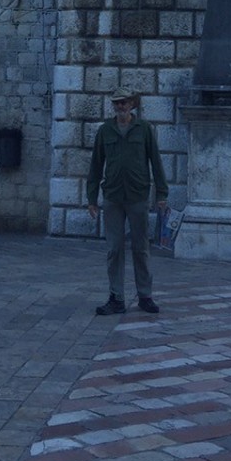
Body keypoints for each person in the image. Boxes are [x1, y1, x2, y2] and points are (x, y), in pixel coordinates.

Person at [87, 87, 169, 315]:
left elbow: (156, 161)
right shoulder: (105, 131)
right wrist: (91, 198)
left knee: (141, 248)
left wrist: (162, 194)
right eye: (117, 103)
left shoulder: (144, 130)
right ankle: (116, 297)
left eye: (124, 102)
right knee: (114, 248)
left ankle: (145, 295)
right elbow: (96, 165)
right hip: (113, 196)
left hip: (137, 196)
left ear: (132, 104)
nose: (120, 106)